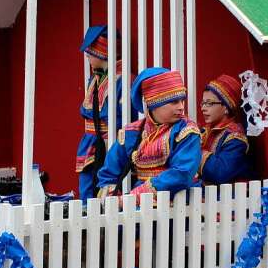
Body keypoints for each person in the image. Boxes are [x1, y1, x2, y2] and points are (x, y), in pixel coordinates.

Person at [97, 67, 202, 197]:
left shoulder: (187, 132)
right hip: (141, 206)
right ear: (153, 103)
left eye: (182, 101)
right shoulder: (131, 133)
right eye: (174, 102)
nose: (181, 107)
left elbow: (182, 173)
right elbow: (110, 171)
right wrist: (110, 192)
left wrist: (136, 194)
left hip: (181, 204)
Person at [76, 25, 126, 200]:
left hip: (109, 142)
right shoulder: (95, 79)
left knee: (107, 189)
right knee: (86, 187)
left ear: (101, 52)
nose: (87, 56)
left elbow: (120, 116)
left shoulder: (122, 80)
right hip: (89, 141)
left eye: (91, 51)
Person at [199, 74, 251, 186]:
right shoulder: (204, 132)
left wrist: (193, 149)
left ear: (226, 107)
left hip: (229, 200)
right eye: (203, 103)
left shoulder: (236, 139)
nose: (203, 108)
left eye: (209, 103)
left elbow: (219, 173)